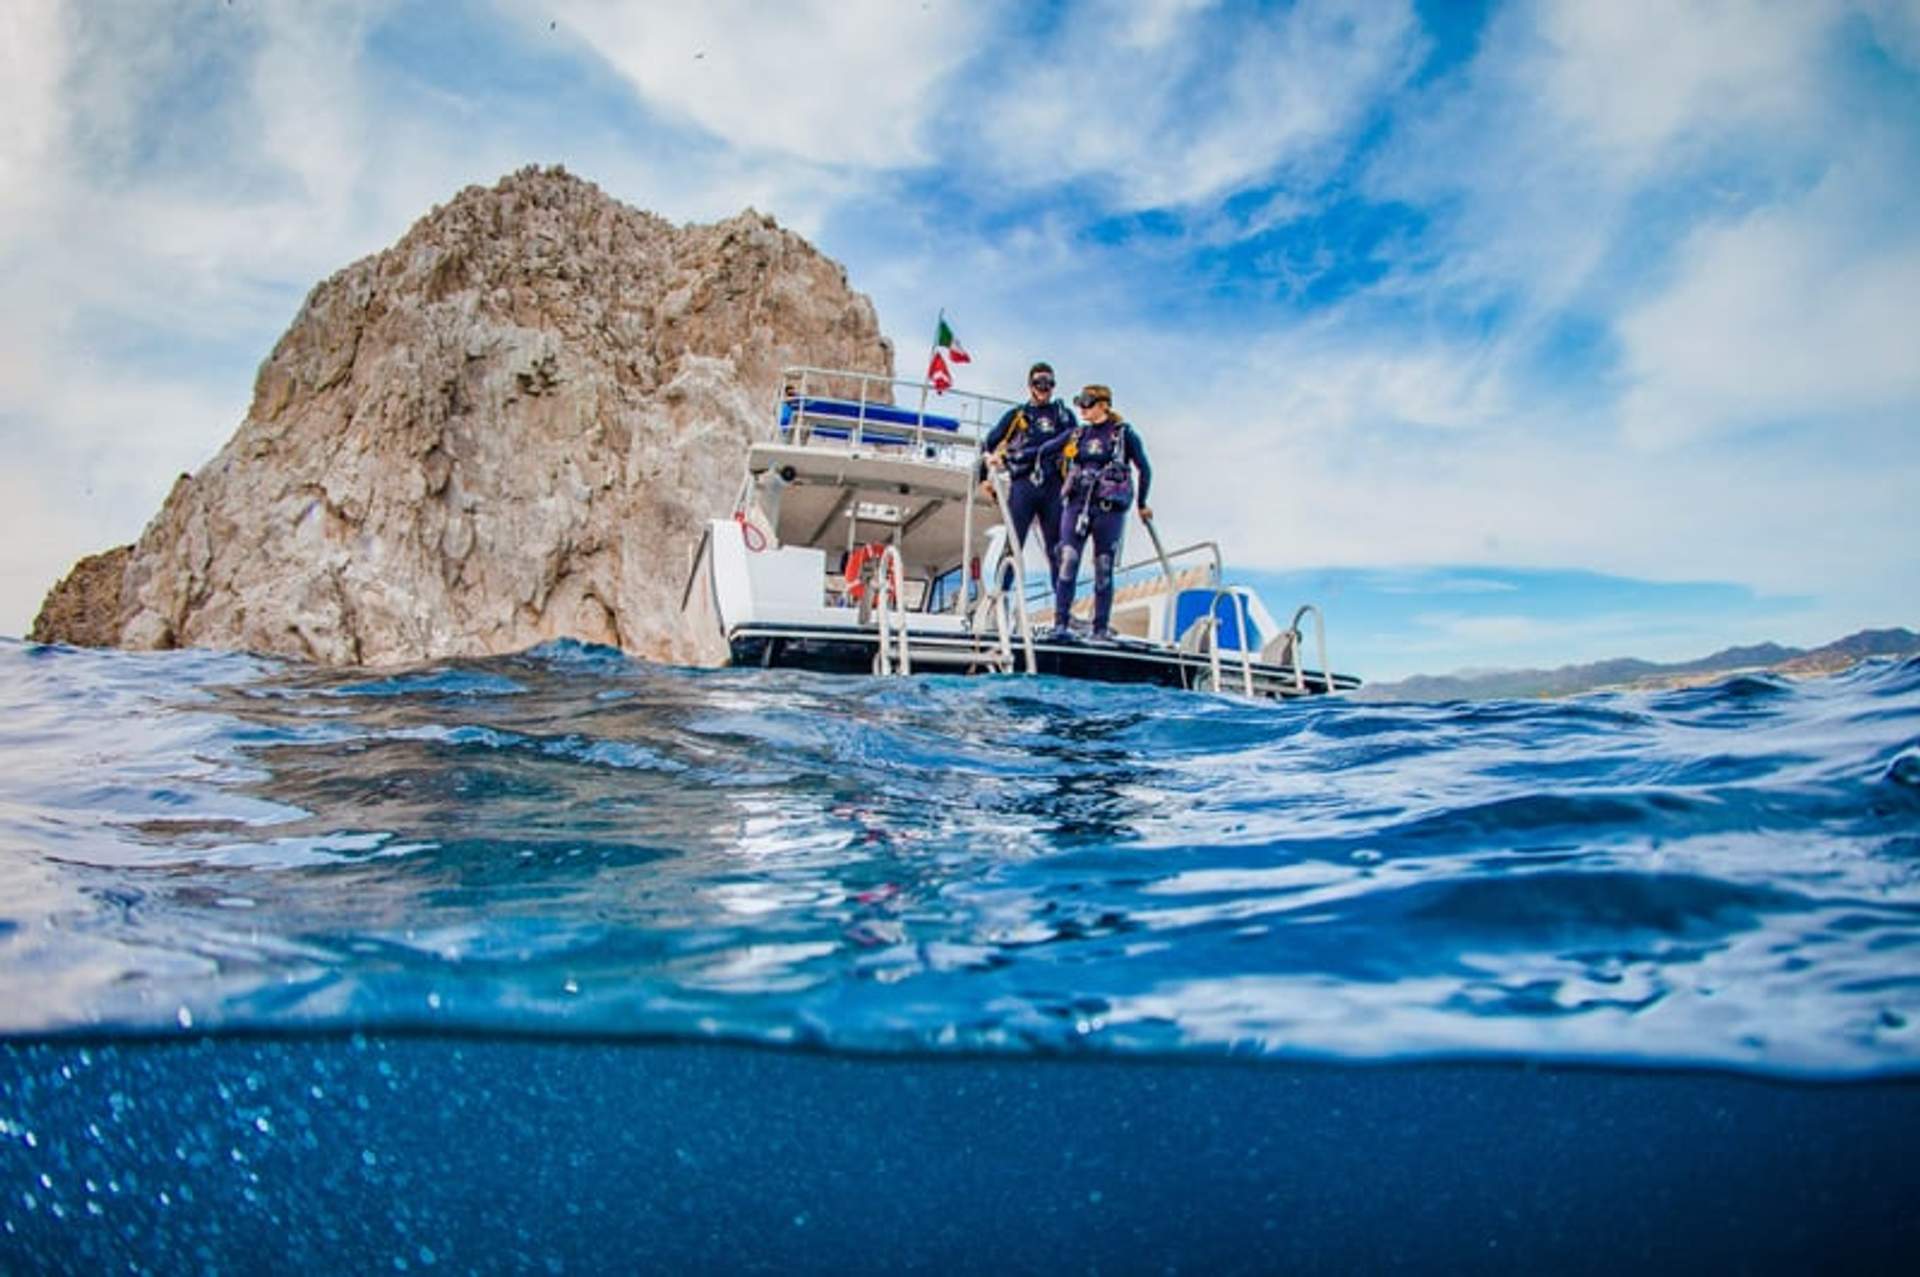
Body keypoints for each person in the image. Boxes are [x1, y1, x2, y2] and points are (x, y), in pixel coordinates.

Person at [1036, 383, 1152, 641]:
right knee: (1068, 561)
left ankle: (1100, 628)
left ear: (1103, 405)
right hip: (1076, 506)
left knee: (1103, 568)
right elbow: (1046, 449)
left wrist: (1142, 504)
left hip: (1108, 510)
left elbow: (1144, 468)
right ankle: (1060, 625)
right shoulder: (1077, 434)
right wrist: (1007, 456)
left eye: (1087, 403)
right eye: (1080, 403)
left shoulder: (1123, 435)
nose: (1082, 409)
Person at [977, 361, 1076, 591]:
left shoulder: (1064, 416)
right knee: (1013, 543)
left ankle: (1062, 606)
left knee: (1057, 547)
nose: (1044, 388)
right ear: (1030, 385)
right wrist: (984, 478)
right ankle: (1001, 597)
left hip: (1053, 486)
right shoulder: (1016, 416)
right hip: (1023, 486)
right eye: (1039, 382)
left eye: (1049, 383)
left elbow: (1078, 446)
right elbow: (988, 444)